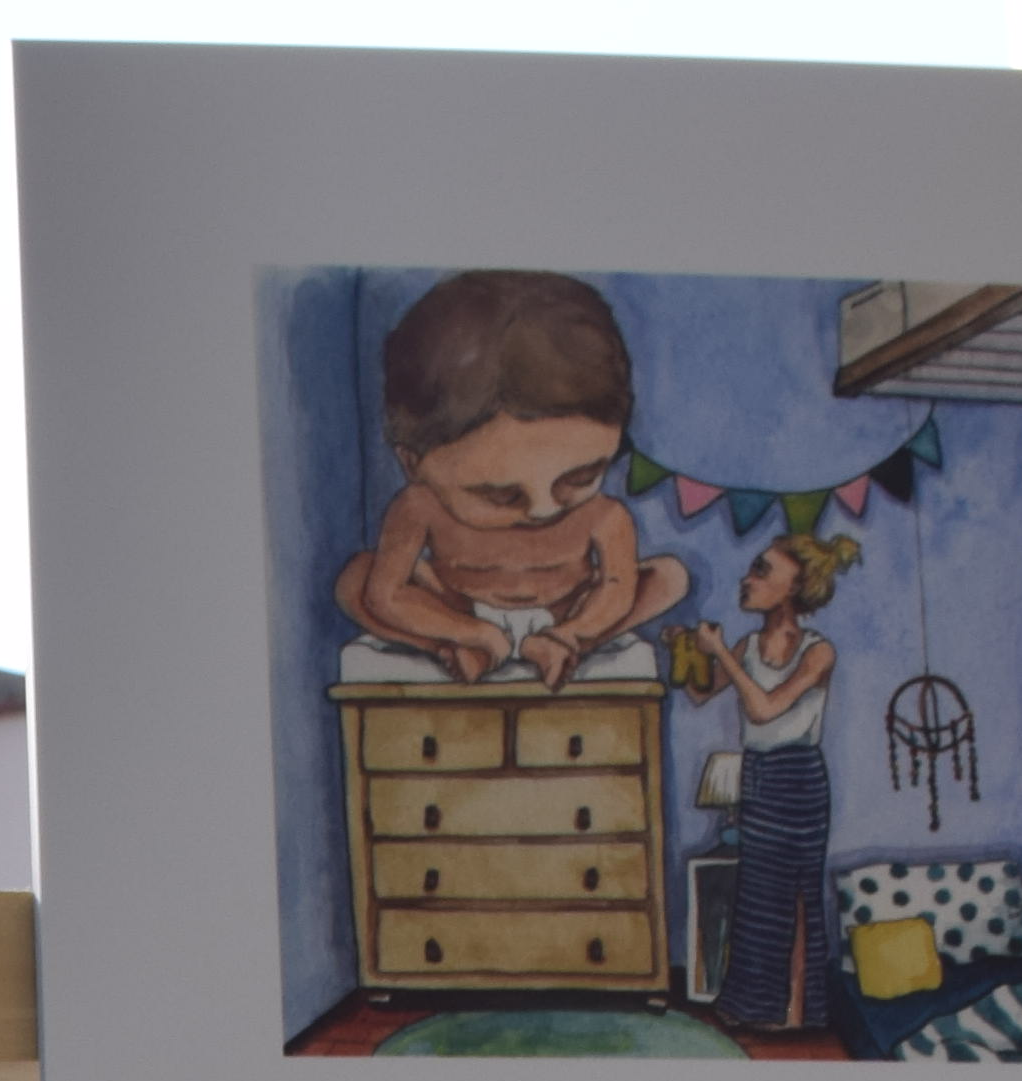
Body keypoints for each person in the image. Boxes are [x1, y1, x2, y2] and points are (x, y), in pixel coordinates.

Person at [331, 269, 685, 691]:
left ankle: (564, 647)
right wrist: (469, 631)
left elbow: (617, 590)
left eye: (581, 477)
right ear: (413, 463)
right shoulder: (419, 506)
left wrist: (575, 629)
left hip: (565, 614)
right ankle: (452, 648)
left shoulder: (604, 516)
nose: (543, 510)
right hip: (456, 613)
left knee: (669, 577)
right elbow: (386, 595)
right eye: (499, 495)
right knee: (356, 580)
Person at [705, 527, 864, 1031]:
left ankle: (798, 1013)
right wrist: (689, 654)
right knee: (758, 896)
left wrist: (721, 654)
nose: (747, 579)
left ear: (795, 587)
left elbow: (765, 708)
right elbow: (699, 692)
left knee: (797, 898)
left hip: (799, 780)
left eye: (762, 570)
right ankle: (755, 1007)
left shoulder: (818, 651)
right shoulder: (747, 645)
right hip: (760, 777)